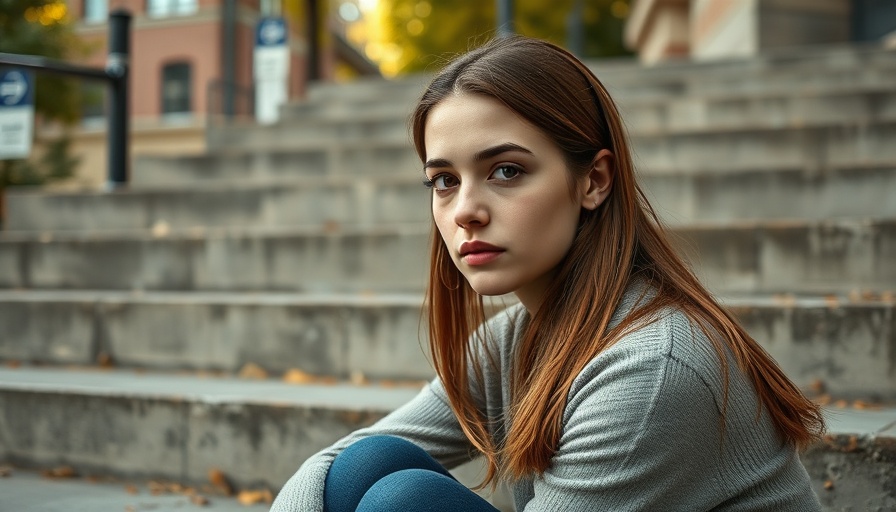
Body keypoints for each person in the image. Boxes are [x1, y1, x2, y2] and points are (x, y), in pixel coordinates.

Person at [270, 36, 825, 512]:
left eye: (506, 171)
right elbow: (338, 459)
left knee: (403, 501)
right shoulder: (510, 340)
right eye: (443, 181)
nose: (465, 210)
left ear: (594, 181)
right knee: (367, 465)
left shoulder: (654, 368)